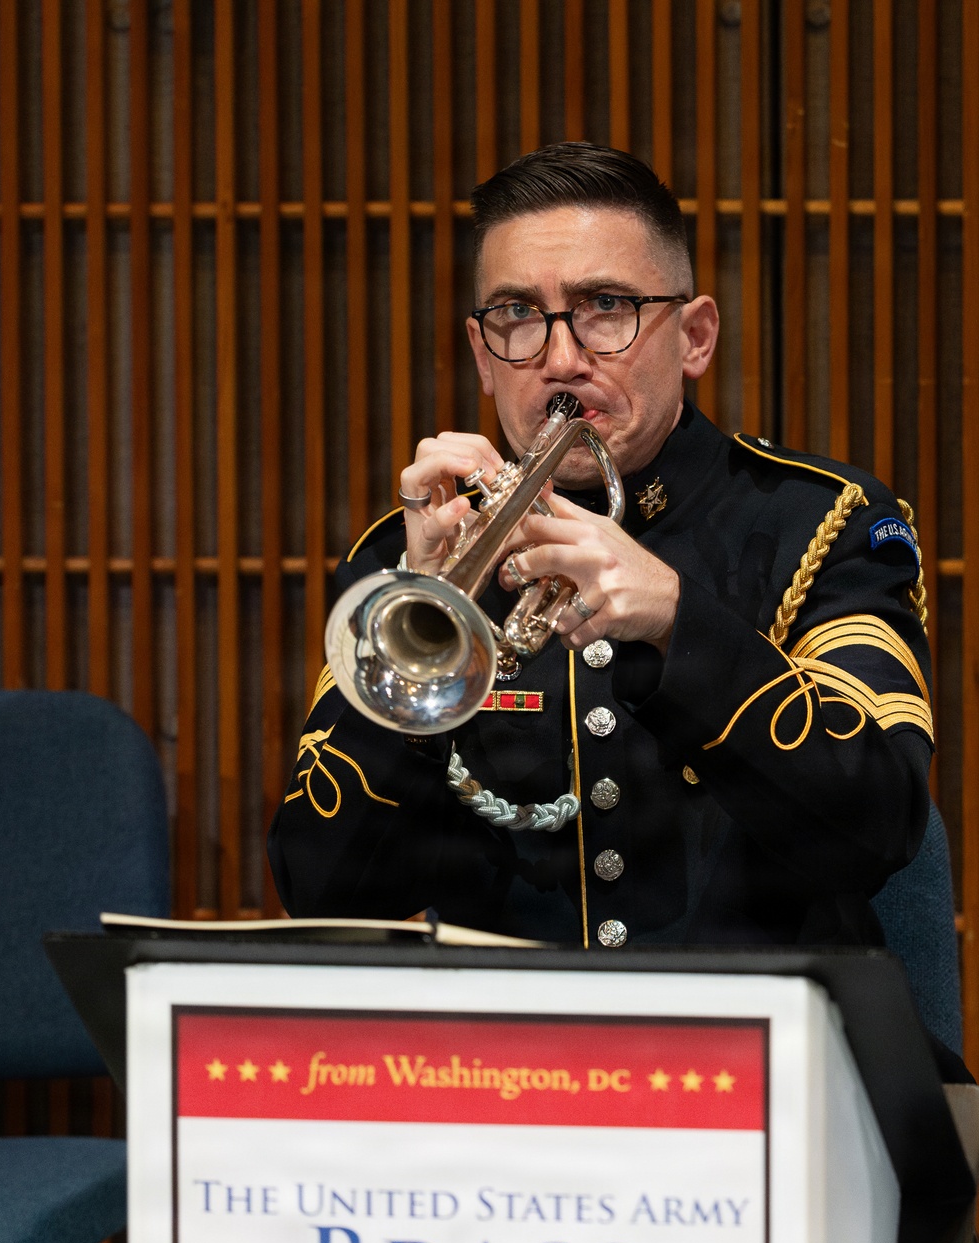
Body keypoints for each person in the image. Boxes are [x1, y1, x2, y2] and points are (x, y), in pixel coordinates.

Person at [267, 141, 933, 952]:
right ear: (482, 355)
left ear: (694, 337)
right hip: (508, 1059)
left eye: (605, 307)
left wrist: (679, 623)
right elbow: (323, 893)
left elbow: (880, 828)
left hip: (755, 1050)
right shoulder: (404, 557)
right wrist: (417, 662)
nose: (559, 360)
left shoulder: (825, 522)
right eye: (516, 315)